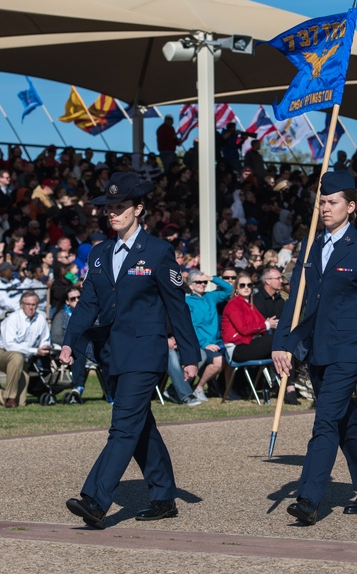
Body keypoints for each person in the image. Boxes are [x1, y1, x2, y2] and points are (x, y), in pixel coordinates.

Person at [60, 171, 201, 527]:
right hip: (112, 354)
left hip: (144, 353)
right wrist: (69, 342)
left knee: (122, 427)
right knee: (140, 428)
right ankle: (164, 496)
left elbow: (177, 306)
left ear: (138, 209)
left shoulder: (157, 251)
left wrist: (189, 356)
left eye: (121, 207)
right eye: (110, 208)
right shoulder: (99, 252)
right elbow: (88, 303)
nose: (113, 213)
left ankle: (95, 499)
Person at [273, 171, 357, 526]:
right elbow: (296, 301)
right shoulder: (310, 246)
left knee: (324, 424)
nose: (325, 208)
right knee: (345, 421)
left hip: (350, 348)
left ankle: (308, 498)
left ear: (351, 206)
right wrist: (282, 343)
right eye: (322, 202)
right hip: (317, 348)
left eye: (332, 202)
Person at [0, 290, 51, 408]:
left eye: (33, 305)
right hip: (1, 353)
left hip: (24, 360)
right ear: (21, 305)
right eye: (28, 304)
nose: (31, 308)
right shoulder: (13, 318)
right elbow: (10, 345)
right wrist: (35, 351)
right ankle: (11, 397)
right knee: (16, 356)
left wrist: (44, 348)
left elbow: (45, 339)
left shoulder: (41, 319)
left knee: (20, 403)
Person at [185, 268, 233, 399]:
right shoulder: (188, 302)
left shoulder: (210, 296)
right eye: (198, 282)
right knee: (218, 362)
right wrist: (205, 344)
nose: (202, 284)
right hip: (201, 343)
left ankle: (227, 390)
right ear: (190, 286)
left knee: (231, 356)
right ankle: (199, 388)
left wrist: (212, 278)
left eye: (204, 282)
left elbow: (228, 289)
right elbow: (193, 326)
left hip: (217, 341)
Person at [221, 272, 277, 362]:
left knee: (282, 338)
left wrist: (267, 324)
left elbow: (259, 323)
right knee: (277, 339)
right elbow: (244, 329)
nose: (246, 287)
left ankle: (290, 373)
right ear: (236, 289)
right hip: (237, 347)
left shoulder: (250, 305)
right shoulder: (234, 305)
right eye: (242, 285)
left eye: (249, 285)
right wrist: (266, 325)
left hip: (248, 342)